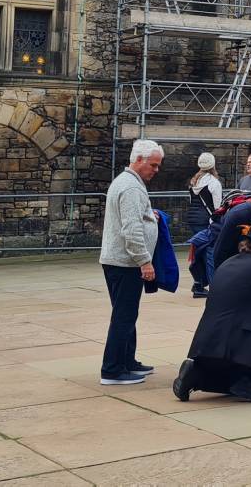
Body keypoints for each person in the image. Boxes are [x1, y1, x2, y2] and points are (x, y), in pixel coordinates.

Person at [172, 225, 251, 403]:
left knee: (230, 378)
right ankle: (250, 383)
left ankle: (196, 375)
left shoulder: (227, 263)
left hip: (208, 341)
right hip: (236, 339)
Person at [97, 139, 161, 385]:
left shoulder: (126, 182)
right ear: (139, 160)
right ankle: (112, 370)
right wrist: (145, 261)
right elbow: (131, 229)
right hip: (125, 263)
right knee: (124, 316)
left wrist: (149, 217)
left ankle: (126, 361)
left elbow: (133, 219)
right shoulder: (132, 187)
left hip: (118, 260)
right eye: (153, 165)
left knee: (126, 314)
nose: (156, 170)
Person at [187, 153, 223, 234]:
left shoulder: (194, 181)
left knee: (197, 243)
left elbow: (191, 201)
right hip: (206, 220)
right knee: (207, 245)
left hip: (192, 218)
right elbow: (218, 207)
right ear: (213, 165)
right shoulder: (214, 182)